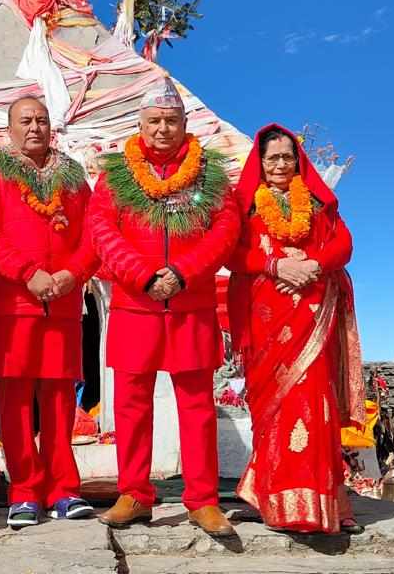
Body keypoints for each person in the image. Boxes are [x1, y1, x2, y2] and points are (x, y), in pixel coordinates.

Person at [87, 78, 240, 537]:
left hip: (191, 306)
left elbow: (226, 230)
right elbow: (101, 231)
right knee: (132, 406)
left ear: (185, 124)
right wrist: (143, 275)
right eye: (153, 120)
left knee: (196, 405)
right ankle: (135, 494)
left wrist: (184, 272)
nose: (162, 128)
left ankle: (202, 500)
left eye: (171, 120)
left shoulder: (212, 174)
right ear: (139, 123)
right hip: (136, 307)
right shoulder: (114, 175)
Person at [226, 124, 366, 535]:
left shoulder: (320, 206)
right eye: (273, 158)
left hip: (311, 315)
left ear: (299, 160)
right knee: (269, 410)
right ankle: (269, 497)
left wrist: (313, 266)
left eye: (288, 156)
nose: (281, 164)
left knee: (314, 402)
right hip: (265, 320)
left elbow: (344, 245)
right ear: (261, 162)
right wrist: (273, 266)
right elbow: (232, 253)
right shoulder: (246, 207)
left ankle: (326, 503)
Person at [0, 96, 99, 528]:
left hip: (64, 303)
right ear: (9, 129)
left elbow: (94, 234)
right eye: (25, 120)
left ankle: (64, 489)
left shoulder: (72, 177)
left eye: (42, 120)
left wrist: (73, 274)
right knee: (14, 400)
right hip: (13, 303)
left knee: (59, 398)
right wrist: (28, 274)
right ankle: (24, 492)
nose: (34, 127)